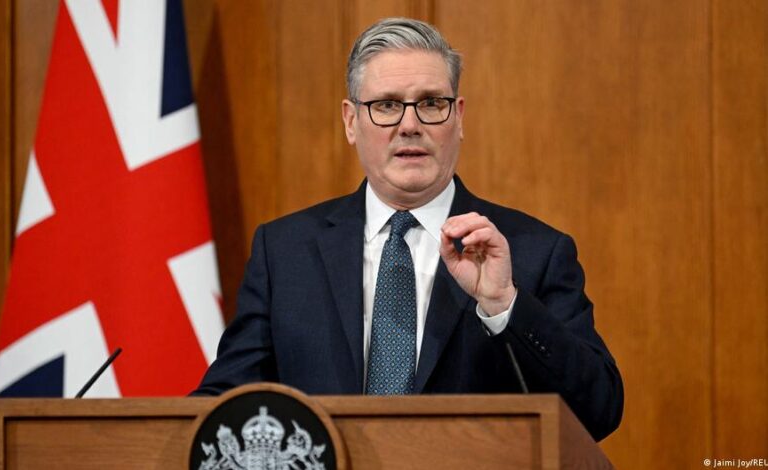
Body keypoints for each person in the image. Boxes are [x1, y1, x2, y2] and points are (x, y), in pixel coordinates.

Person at [193, 17, 623, 441]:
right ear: (350, 121)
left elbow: (597, 411)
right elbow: (222, 405)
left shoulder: (533, 252)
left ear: (459, 117)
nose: (410, 125)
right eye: (386, 105)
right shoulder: (284, 253)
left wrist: (503, 304)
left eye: (431, 103)